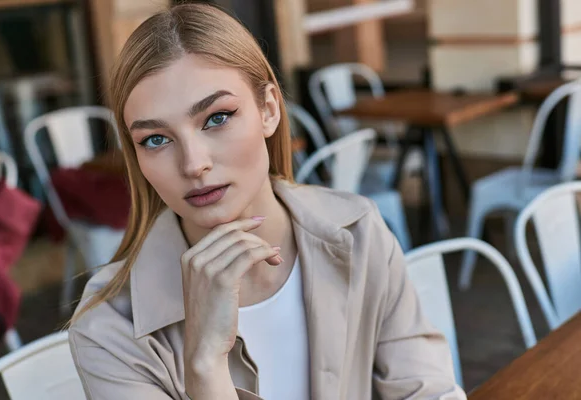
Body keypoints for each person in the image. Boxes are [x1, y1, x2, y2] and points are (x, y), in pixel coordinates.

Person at [69, 3, 466, 400]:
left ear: (269, 110)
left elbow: (428, 391)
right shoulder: (108, 324)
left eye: (217, 118)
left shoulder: (357, 229)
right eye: (155, 139)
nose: (194, 164)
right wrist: (204, 364)